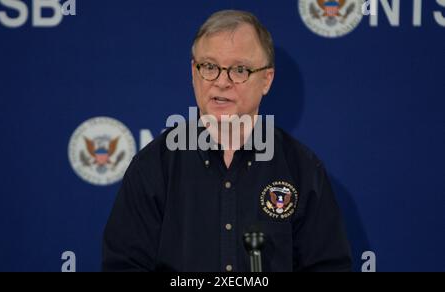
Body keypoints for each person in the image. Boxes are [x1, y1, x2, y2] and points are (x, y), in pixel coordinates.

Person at [102, 10, 351, 272]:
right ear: (193, 72)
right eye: (209, 67)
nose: (222, 82)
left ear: (267, 79)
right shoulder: (153, 166)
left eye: (239, 70)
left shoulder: (302, 169)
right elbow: (124, 266)